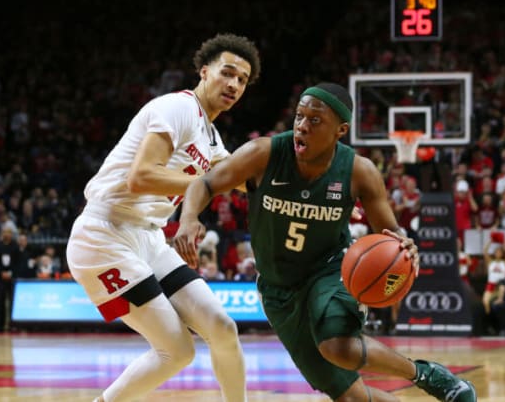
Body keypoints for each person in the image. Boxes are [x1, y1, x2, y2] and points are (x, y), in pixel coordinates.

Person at [173, 83, 476, 402]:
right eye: (299, 117)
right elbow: (204, 183)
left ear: (340, 130)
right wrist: (189, 217)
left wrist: (405, 245)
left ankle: (427, 375)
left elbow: (390, 232)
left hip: (331, 273)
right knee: (349, 397)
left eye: (314, 120)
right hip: (277, 289)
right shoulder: (264, 153)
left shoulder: (359, 171)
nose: (302, 125)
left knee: (338, 346)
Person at [65, 33, 260, 402]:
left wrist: (317, 190)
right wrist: (202, 185)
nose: (234, 84)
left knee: (221, 327)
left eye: (242, 80)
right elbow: (141, 176)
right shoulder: (178, 107)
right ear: (204, 72)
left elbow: (244, 179)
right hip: (105, 234)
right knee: (177, 350)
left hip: (148, 238)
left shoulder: (211, 137)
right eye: (227, 73)